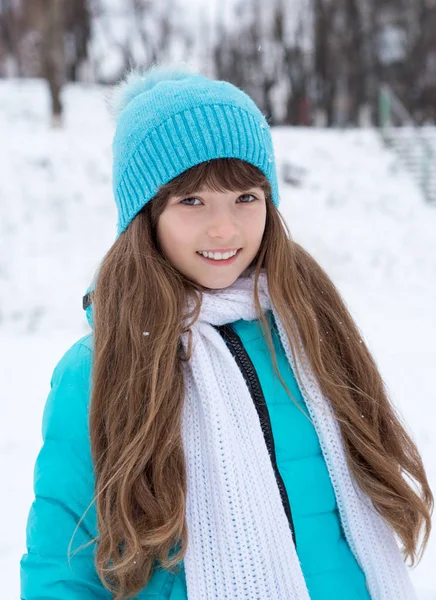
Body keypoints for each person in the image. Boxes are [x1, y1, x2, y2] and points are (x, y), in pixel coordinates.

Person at [20, 64, 433, 600]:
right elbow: (62, 572)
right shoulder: (99, 369)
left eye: (245, 198)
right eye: (192, 201)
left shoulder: (311, 335)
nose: (224, 228)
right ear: (144, 217)